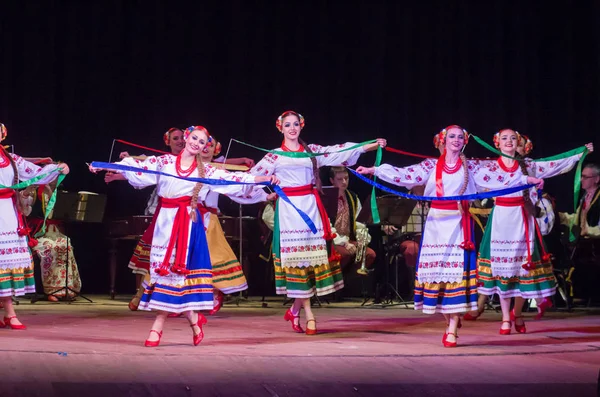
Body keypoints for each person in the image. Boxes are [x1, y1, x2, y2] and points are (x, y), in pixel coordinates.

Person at [92, 125, 277, 346]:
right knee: (164, 274)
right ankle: (194, 321)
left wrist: (263, 180)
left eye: (202, 142)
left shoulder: (205, 171)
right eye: (194, 138)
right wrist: (104, 167)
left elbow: (232, 180)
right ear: (187, 138)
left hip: (188, 226)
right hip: (164, 224)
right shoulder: (165, 162)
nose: (196, 143)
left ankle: (156, 329)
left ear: (204, 147)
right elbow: (139, 166)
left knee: (173, 277)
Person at [357, 125, 539, 347]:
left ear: (465, 141)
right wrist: (374, 170)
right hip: (436, 224)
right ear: (443, 140)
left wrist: (527, 181)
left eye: (460, 137)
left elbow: (500, 179)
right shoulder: (431, 165)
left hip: (458, 224)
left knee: (456, 275)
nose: (455, 140)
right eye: (451, 136)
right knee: (437, 276)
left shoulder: (471, 166)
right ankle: (450, 318)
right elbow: (405, 174)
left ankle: (451, 328)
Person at [250, 110, 385, 335]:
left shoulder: (311, 151)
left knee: (311, 263)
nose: (292, 128)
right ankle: (310, 316)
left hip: (311, 209)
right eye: (287, 125)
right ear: (280, 128)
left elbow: (337, 151)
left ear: (301, 126)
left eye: (295, 124)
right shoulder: (274, 155)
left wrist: (367, 146)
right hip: (290, 212)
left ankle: (294, 310)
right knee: (298, 262)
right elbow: (253, 176)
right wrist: (267, 190)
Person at [471, 129, 591, 334]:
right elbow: (466, 173)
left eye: (513, 138)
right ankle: (506, 318)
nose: (509, 141)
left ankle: (517, 313)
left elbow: (554, 164)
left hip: (521, 219)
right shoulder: (489, 167)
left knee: (522, 270)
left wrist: (579, 153)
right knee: (502, 269)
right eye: (504, 138)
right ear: (497, 143)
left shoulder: (529, 166)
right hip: (501, 220)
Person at [0, 122, 70, 329]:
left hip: (8, 214)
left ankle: (9, 312)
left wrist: (58, 168)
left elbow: (36, 173)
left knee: (5, 263)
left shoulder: (11, 160)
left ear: (3, 135)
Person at [198, 134, 267, 314]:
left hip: (208, 220)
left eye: (210, 146)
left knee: (213, 259)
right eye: (203, 144)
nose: (205, 148)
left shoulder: (218, 171)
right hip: (188, 218)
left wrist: (265, 195)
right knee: (187, 258)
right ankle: (184, 299)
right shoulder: (187, 167)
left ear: (215, 151)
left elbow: (237, 189)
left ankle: (215, 291)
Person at [329, 167, 376, 276]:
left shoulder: (353, 197)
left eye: (346, 178)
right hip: (333, 241)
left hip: (349, 240)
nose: (344, 182)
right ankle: (337, 285)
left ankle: (350, 283)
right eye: (340, 179)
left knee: (370, 254)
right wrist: (344, 243)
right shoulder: (327, 197)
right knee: (346, 254)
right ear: (332, 181)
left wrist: (361, 240)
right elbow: (326, 225)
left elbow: (359, 222)